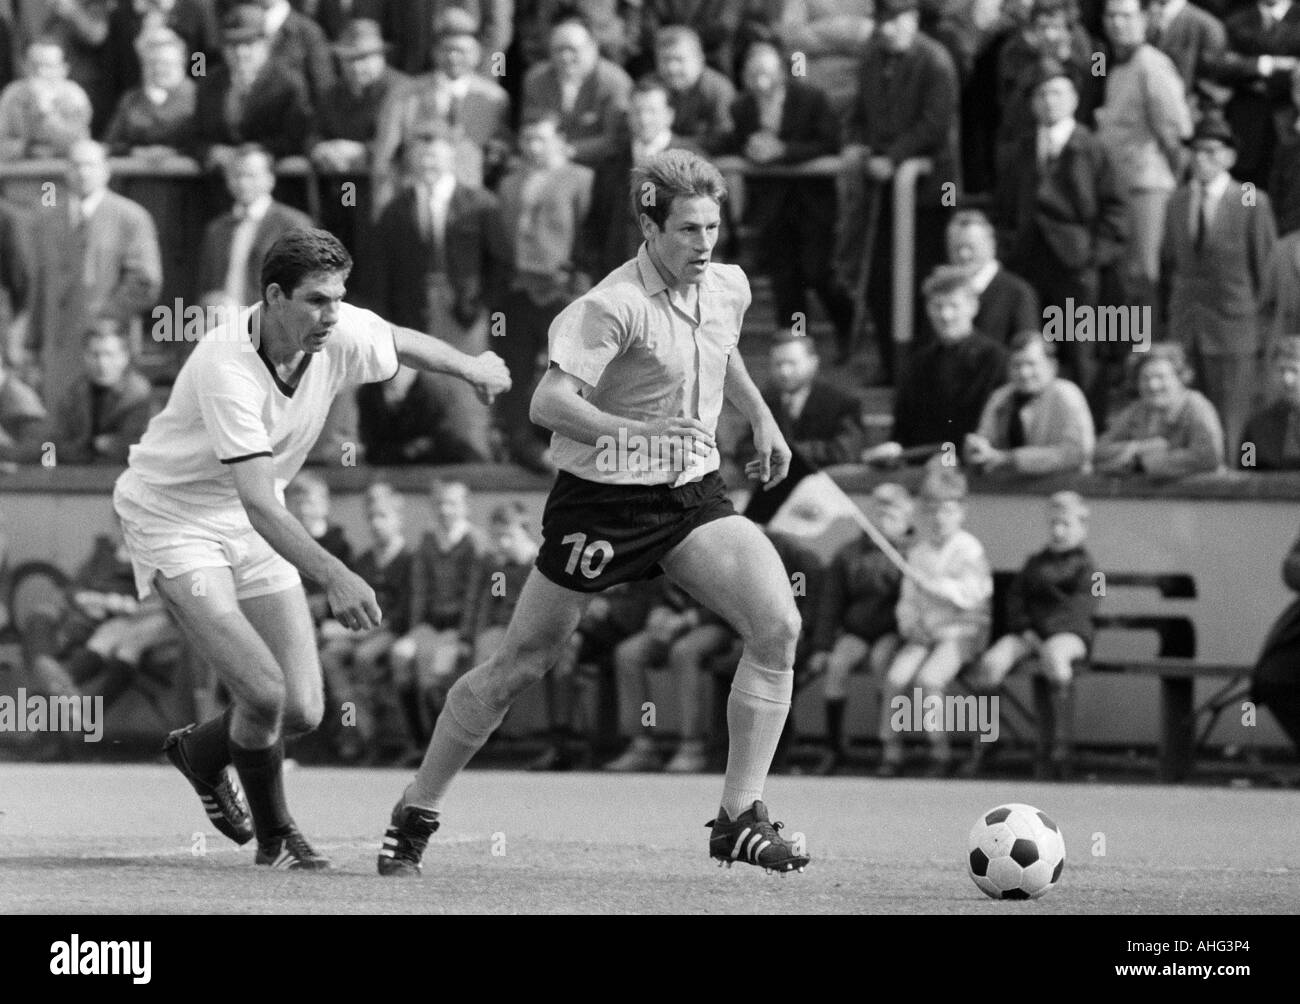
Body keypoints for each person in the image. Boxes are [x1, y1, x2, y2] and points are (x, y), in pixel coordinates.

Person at [376, 149, 811, 877]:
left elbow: (723, 348)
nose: (705, 244)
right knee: (522, 664)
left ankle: (739, 818)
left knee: (778, 626)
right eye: (687, 230)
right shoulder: (611, 305)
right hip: (604, 502)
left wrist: (763, 418)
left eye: (712, 226)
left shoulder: (726, 284)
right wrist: (637, 434)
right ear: (649, 225)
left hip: (692, 495)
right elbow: (548, 404)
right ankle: (416, 809)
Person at [113, 227, 509, 869]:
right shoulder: (225, 365)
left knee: (302, 706)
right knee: (264, 694)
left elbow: (401, 341)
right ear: (273, 297)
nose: (334, 314)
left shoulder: (338, 329)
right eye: (318, 300)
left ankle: (202, 753)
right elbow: (261, 502)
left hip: (249, 518)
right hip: (175, 520)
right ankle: (278, 842)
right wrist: (337, 575)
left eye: (339, 297)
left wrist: (471, 367)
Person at [994, 56, 1127, 397]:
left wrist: (1093, 256)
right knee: (1032, 348)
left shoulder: (1093, 147)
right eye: (1040, 94)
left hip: (1076, 268)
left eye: (1056, 92)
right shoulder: (1018, 150)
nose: (1049, 101)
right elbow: (1005, 208)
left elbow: (1115, 209)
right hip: (1027, 265)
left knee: (1083, 353)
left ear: (1074, 99)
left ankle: (1088, 433)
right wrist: (1008, 248)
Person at [372, 123, 505, 462]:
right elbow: (383, 271)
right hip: (413, 309)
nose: (428, 160)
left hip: (464, 309)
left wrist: (483, 303)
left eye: (436, 152)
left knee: (468, 379)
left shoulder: (480, 203)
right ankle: (438, 456)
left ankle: (476, 453)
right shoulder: (394, 209)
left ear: (452, 156)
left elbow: (500, 262)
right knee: (425, 380)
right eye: (421, 152)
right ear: (411, 159)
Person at [725, 37, 854, 357]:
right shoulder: (741, 107)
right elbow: (735, 142)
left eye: (766, 73)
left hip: (812, 204)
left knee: (819, 272)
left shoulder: (811, 98)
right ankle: (797, 346)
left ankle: (846, 325)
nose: (760, 81)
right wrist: (748, 150)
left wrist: (783, 152)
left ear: (782, 72)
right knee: (786, 284)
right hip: (772, 208)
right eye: (753, 75)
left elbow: (830, 143)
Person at [1160, 110, 1277, 454]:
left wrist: (1260, 326)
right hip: (1187, 329)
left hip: (1233, 328)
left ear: (1229, 157)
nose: (1201, 159)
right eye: (1196, 150)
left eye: (1211, 151)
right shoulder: (1177, 201)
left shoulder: (1250, 197)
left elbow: (1265, 271)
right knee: (1189, 422)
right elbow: (1171, 267)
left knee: (1232, 425)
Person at [967, 490, 1099, 779]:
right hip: (1028, 635)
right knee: (990, 663)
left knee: (1054, 657)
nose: (1058, 530)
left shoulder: (1091, 570)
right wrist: (1026, 629)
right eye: (1053, 523)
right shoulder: (1034, 563)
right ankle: (986, 740)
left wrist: (1044, 635)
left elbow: (1083, 609)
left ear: (1082, 527)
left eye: (1065, 523)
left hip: (1068, 635)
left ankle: (1061, 748)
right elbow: (1015, 599)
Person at [26, 139, 162, 409]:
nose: (82, 172)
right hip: (59, 346)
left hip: (108, 349)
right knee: (62, 426)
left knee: (108, 425)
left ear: (106, 170)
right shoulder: (48, 218)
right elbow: (39, 286)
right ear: (66, 171)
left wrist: (103, 318)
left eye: (90, 165)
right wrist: (33, 343)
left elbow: (145, 282)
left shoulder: (130, 217)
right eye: (75, 165)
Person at [877, 463, 992, 777]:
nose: (940, 518)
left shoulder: (969, 549)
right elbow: (908, 600)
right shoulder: (919, 552)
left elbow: (973, 593)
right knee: (896, 677)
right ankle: (892, 750)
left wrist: (936, 587)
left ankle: (938, 750)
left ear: (961, 511)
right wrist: (910, 623)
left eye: (948, 510)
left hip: (962, 632)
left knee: (929, 679)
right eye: (933, 511)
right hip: (926, 632)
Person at [495, 113, 594, 472]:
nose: (532, 146)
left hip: (564, 292)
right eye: (527, 139)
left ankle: (580, 449)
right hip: (520, 290)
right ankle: (521, 447)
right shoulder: (509, 183)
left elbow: (589, 238)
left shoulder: (583, 179)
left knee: (570, 373)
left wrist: (582, 287)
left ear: (562, 142)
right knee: (516, 375)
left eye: (541, 138)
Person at [806, 482, 912, 776]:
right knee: (837, 665)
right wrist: (822, 646)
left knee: (882, 664)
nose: (884, 517)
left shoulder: (913, 553)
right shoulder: (849, 554)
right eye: (879, 510)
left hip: (894, 632)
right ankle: (833, 747)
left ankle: (889, 749)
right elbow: (831, 603)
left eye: (892, 511)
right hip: (857, 630)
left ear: (907, 515)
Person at [1095, 0, 1192, 313]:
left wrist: (1174, 182)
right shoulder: (1117, 65)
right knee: (1124, 275)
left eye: (1125, 15)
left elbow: (1176, 131)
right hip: (1117, 186)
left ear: (1143, 19)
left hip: (1146, 185)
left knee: (1143, 275)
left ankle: (1146, 348)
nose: (1117, 23)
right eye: (1111, 16)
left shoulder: (1152, 64)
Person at [863, 266, 1008, 465]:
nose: (945, 315)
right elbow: (903, 429)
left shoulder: (996, 360)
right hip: (922, 467)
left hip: (975, 470)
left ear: (972, 307)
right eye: (938, 306)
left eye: (953, 306)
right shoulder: (917, 364)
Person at [372, 9, 511, 201]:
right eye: (447, 50)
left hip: (469, 206)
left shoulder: (495, 100)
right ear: (435, 52)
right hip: (414, 200)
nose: (453, 58)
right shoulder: (404, 95)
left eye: (461, 51)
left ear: (477, 54)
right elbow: (384, 160)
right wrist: (384, 209)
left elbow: (499, 161)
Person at [318, 483, 412, 763]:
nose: (376, 524)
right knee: (330, 656)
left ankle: (379, 738)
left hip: (390, 632)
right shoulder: (364, 561)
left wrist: (366, 629)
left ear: (398, 520)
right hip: (362, 630)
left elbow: (403, 615)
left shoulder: (408, 560)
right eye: (372, 517)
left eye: (383, 517)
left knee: (364, 657)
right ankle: (357, 729)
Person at [389, 479, 487, 748]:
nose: (445, 510)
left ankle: (442, 744)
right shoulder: (428, 541)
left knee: (435, 667)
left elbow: (475, 596)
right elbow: (420, 591)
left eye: (452, 503)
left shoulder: (475, 543)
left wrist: (467, 636)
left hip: (457, 628)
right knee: (401, 654)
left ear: (465, 506)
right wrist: (415, 628)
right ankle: (418, 739)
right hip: (430, 624)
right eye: (439, 503)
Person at [603, 579, 732, 773]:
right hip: (673, 623)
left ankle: (691, 747)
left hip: (714, 623)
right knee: (628, 653)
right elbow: (661, 589)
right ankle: (643, 745)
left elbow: (730, 601)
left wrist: (689, 619)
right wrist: (658, 612)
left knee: (683, 652)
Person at [192, 3, 312, 167]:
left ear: (266, 44)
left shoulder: (288, 84)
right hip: (219, 177)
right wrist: (212, 151)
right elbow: (195, 136)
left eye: (249, 44)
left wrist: (260, 150)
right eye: (232, 45)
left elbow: (296, 138)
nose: (241, 53)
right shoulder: (209, 83)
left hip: (272, 174)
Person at [198, 145, 314, 312]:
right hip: (225, 328)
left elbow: (305, 288)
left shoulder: (294, 224)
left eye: (251, 176)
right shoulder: (217, 228)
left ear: (270, 179)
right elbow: (206, 288)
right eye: (236, 175)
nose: (243, 183)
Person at [964, 330, 1096, 475]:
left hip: (1065, 488)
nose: (1024, 373)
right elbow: (986, 440)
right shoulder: (1001, 398)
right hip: (1010, 490)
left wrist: (1010, 459)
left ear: (1052, 366)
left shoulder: (1066, 395)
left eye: (1031, 364)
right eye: (1017, 365)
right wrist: (977, 449)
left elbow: (1077, 452)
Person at [520, 11, 633, 167]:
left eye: (572, 49)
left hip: (598, 167)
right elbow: (530, 124)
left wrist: (567, 151)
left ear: (593, 47)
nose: (565, 57)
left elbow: (614, 140)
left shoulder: (615, 82)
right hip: (544, 163)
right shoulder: (536, 79)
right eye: (558, 49)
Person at [1095, 342, 1225, 476]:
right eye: (1145, 378)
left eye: (1161, 377)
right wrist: (1138, 449)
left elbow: (1208, 457)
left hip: (1201, 491)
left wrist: (1152, 462)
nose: (1153, 385)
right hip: (1148, 494)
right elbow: (1099, 451)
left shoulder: (1196, 407)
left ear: (1179, 378)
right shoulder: (1137, 409)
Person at [48, 319, 155, 464]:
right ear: (84, 356)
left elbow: (137, 447)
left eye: (109, 354)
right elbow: (57, 443)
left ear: (124, 357)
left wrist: (99, 445)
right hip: (78, 476)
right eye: (95, 354)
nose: (102, 363)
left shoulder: (138, 395)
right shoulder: (74, 394)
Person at [754, 330, 865, 468]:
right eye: (778, 364)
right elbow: (746, 449)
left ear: (813, 363)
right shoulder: (765, 401)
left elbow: (846, 451)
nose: (784, 372)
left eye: (792, 363)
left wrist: (786, 452)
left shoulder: (841, 402)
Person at [942, 210, 1040, 348]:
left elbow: (1027, 353)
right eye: (956, 248)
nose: (963, 254)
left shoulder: (1018, 293)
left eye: (970, 247)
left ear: (991, 245)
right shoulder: (942, 295)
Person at [101, 26, 197, 156]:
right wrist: (134, 151)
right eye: (152, 63)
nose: (158, 69)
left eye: (165, 63)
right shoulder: (131, 99)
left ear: (181, 62)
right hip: (136, 174)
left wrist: (174, 153)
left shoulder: (198, 96)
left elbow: (205, 142)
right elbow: (109, 143)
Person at [0, 36, 92, 159]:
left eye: (48, 66)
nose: (41, 72)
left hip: (63, 174)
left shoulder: (75, 97)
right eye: (34, 65)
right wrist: (29, 149)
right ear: (24, 66)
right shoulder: (12, 94)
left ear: (64, 69)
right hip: (22, 175)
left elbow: (77, 144)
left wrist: (46, 111)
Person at [651, 24, 735, 154]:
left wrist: (672, 143)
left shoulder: (718, 90)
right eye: (665, 60)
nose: (672, 68)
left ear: (699, 59)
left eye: (679, 59)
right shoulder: (651, 88)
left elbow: (724, 138)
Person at [1240, 334, 1300, 470]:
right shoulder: (1255, 427)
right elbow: (1244, 474)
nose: (1287, 379)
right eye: (1281, 370)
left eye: (1294, 371)